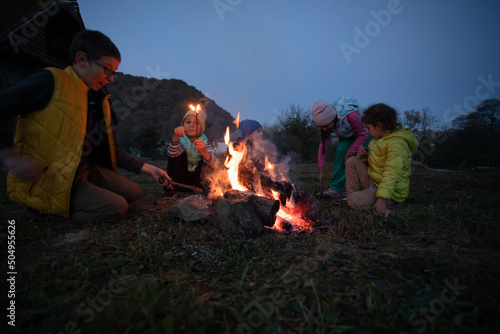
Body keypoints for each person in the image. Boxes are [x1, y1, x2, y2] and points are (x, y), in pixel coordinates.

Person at [0, 29, 171, 223]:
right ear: (82, 59)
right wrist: (9, 156)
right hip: (51, 179)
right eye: (107, 69)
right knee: (117, 208)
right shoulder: (51, 81)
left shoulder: (99, 100)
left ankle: (87, 193)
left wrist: (149, 168)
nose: (111, 78)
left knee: (134, 191)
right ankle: (48, 211)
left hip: (83, 171)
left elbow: (113, 150)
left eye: (113, 72)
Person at [339, 103, 419, 214]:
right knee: (352, 161)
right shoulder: (377, 140)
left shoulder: (397, 145)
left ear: (379, 126)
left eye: (368, 128)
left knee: (353, 201)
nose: (367, 132)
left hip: (391, 193)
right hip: (375, 182)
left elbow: (391, 175)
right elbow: (374, 162)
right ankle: (352, 196)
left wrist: (381, 200)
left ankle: (388, 202)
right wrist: (363, 156)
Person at [312, 96, 369, 198]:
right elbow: (323, 145)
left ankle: (358, 188)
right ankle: (336, 188)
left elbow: (363, 133)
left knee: (360, 157)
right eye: (321, 127)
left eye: (325, 125)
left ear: (332, 118)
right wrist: (321, 169)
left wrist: (350, 153)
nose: (324, 129)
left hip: (363, 135)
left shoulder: (350, 115)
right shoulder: (327, 125)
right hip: (346, 136)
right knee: (340, 155)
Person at [166, 107, 218, 193]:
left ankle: (204, 188)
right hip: (177, 181)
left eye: (196, 123)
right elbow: (171, 154)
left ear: (201, 128)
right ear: (183, 125)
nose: (191, 125)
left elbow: (215, 163)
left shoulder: (204, 141)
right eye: (188, 122)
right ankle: (172, 187)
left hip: (198, 183)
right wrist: (175, 137)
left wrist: (203, 151)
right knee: (177, 156)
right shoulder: (180, 139)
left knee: (208, 159)